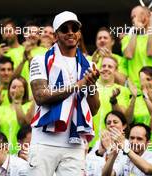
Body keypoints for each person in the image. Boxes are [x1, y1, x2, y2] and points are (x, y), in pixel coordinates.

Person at [29, 11, 100, 175]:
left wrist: (91, 85)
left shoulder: (88, 64)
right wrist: (79, 84)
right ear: (55, 35)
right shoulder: (40, 60)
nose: (70, 32)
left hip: (75, 144)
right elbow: (41, 96)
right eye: (64, 29)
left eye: (74, 28)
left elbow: (94, 109)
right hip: (44, 142)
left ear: (79, 33)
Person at [122, 5, 152, 90]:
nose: (134, 20)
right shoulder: (127, 38)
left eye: (136, 16)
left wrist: (151, 25)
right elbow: (128, 55)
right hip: (134, 89)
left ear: (147, 17)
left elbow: (151, 52)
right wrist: (135, 31)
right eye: (132, 17)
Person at [89, 56, 133, 148]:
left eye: (110, 67)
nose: (106, 69)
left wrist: (114, 100)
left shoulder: (122, 90)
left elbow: (123, 118)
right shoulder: (91, 86)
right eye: (103, 66)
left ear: (116, 71)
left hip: (110, 142)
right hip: (88, 140)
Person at [0, 76, 33, 154]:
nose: (16, 90)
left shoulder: (29, 106)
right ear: (9, 90)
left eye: (20, 87)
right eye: (13, 87)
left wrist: (17, 101)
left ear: (25, 90)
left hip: (22, 153)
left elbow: (24, 123)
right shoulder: (2, 109)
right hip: (3, 153)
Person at [88, 110, 128, 176]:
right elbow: (89, 165)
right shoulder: (99, 142)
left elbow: (112, 174)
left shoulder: (127, 144)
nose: (111, 125)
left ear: (124, 126)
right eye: (108, 123)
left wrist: (109, 149)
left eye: (115, 122)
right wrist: (99, 153)